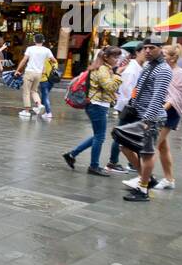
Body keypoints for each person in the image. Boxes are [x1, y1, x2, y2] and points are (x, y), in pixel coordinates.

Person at [119, 40, 172, 202]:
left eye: (152, 48)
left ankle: (143, 190)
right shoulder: (149, 66)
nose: (147, 50)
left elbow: (158, 97)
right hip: (138, 114)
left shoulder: (164, 70)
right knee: (124, 145)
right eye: (145, 48)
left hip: (151, 117)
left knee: (147, 153)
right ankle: (146, 178)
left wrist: (147, 120)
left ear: (160, 49)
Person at [62, 46, 122, 177]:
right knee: (99, 137)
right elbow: (110, 86)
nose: (117, 60)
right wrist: (118, 74)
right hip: (97, 105)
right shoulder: (102, 69)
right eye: (115, 57)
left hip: (97, 104)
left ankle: (72, 154)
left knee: (97, 135)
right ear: (106, 57)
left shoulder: (102, 68)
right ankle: (94, 166)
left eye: (118, 57)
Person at [146, 42, 182, 191]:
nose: (160, 56)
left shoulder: (181, 73)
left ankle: (143, 179)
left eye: (164, 55)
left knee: (152, 145)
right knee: (163, 147)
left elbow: (174, 97)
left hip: (169, 112)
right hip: (160, 109)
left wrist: (157, 111)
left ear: (172, 58)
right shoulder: (161, 70)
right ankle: (169, 179)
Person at [105, 46, 145, 173]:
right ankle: (113, 162)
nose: (147, 53)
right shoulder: (131, 69)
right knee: (122, 134)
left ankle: (128, 162)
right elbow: (127, 90)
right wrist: (132, 103)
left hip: (132, 105)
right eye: (145, 50)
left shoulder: (139, 67)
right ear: (137, 52)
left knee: (128, 134)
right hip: (129, 107)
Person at [16, 33, 54, 119]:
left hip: (29, 72)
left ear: (34, 40)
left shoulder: (30, 49)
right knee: (34, 91)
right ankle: (39, 105)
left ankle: (26, 111)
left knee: (26, 92)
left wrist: (18, 70)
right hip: (39, 73)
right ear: (43, 41)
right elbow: (54, 60)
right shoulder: (47, 50)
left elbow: (24, 60)